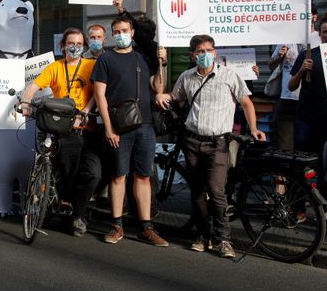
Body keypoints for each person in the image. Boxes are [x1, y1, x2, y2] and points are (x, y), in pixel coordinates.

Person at [156, 35, 266, 258]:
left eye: (208, 50)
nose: (204, 54)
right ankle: (204, 235)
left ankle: (223, 239)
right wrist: (161, 93)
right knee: (197, 192)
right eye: (200, 51)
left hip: (218, 143)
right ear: (192, 55)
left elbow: (246, 102)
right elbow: (175, 97)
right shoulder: (187, 77)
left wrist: (253, 128)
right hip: (192, 141)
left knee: (216, 192)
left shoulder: (228, 75)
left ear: (215, 53)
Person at [92, 14, 168, 247]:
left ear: (132, 33)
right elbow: (99, 95)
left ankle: (146, 227)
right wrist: (108, 127)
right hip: (119, 127)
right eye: (117, 32)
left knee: (143, 176)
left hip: (144, 125)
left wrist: (162, 64)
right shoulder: (105, 60)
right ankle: (116, 225)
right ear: (113, 34)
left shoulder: (143, 59)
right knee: (118, 176)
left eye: (125, 30)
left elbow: (157, 87)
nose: (121, 35)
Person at [20, 27, 101, 237]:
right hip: (63, 130)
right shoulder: (55, 68)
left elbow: (97, 93)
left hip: (88, 129)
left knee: (94, 173)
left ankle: (78, 212)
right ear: (62, 46)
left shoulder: (92, 65)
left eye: (79, 44)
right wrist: (26, 102)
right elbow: (33, 87)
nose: (75, 48)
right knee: (68, 172)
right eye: (71, 43)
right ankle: (75, 216)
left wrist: (85, 110)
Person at [288, 12, 327, 160]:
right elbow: (291, 86)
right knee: (304, 161)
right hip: (308, 120)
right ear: (319, 34)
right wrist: (302, 70)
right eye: (326, 32)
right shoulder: (308, 55)